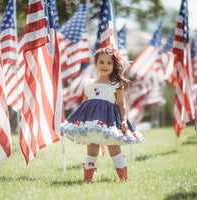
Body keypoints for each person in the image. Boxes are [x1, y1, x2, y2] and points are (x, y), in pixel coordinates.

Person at [60, 47, 143, 182]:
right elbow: (84, 103)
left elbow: (121, 104)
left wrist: (123, 120)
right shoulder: (89, 83)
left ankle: (123, 179)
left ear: (114, 65)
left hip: (109, 121)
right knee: (92, 148)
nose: (105, 65)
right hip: (92, 122)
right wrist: (80, 121)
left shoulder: (115, 84)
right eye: (102, 62)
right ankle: (87, 179)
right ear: (95, 64)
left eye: (109, 63)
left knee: (114, 148)